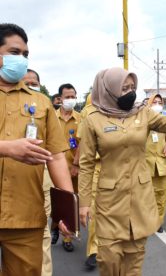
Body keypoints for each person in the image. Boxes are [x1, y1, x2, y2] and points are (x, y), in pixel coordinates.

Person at [78, 67, 166, 276]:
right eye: (124, 88)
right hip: (109, 201)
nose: (130, 92)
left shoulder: (143, 113)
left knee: (134, 263)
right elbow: (87, 164)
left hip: (139, 198)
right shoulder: (93, 119)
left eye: (132, 88)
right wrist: (83, 203)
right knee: (108, 261)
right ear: (109, 90)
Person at [0, 23, 73, 276]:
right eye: (15, 52)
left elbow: (55, 156)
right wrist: (7, 148)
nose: (21, 60)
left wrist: (67, 211)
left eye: (26, 55)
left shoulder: (40, 102)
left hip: (26, 216)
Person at [22, 69, 53, 276]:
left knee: (42, 234)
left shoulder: (45, 107)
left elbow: (57, 155)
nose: (30, 86)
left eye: (34, 83)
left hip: (40, 181)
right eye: (27, 83)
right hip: (9, 185)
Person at [51, 83, 81, 252]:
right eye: (67, 97)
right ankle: (55, 225)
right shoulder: (51, 117)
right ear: (60, 99)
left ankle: (67, 237)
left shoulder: (80, 118)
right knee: (55, 202)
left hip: (74, 168)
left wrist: (76, 164)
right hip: (55, 168)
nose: (70, 100)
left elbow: (83, 144)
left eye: (73, 96)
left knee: (72, 202)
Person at [77, 93, 100, 270]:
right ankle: (94, 250)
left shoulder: (120, 111)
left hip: (117, 169)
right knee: (93, 208)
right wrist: (76, 163)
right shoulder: (88, 112)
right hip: (95, 166)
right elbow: (82, 141)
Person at [145, 93, 166, 233]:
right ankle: (147, 221)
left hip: (162, 163)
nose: (157, 104)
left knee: (161, 196)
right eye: (154, 102)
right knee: (147, 196)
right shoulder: (143, 120)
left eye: (159, 102)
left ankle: (158, 222)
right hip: (145, 164)